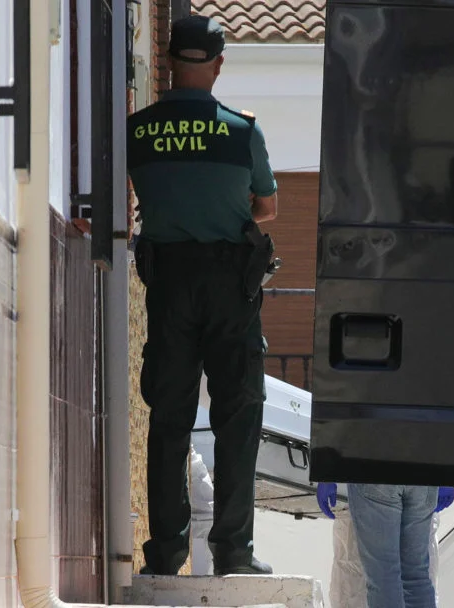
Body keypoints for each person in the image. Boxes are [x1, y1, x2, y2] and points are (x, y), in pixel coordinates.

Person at [127, 13, 279, 576]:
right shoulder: (242, 131)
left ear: (167, 65)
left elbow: (126, 197)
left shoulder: (138, 130)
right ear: (217, 66)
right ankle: (233, 552)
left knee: (168, 416)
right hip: (229, 283)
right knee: (238, 414)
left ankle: (166, 552)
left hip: (167, 284)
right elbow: (267, 209)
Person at [318, 482, 454, 608]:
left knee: (384, 576)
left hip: (375, 470)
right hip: (424, 472)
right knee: (416, 575)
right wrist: (448, 475)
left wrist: (326, 475)